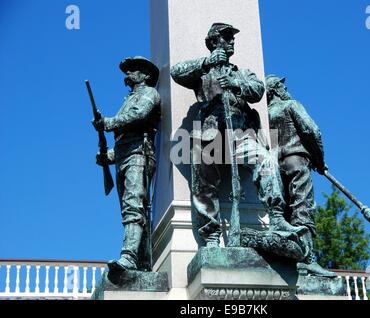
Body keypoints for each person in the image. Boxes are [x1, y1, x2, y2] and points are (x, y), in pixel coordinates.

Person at [170, 23, 304, 247]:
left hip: (240, 135)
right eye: (226, 37)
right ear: (213, 42)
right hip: (209, 134)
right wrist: (207, 62)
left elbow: (257, 90)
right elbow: (176, 72)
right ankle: (211, 235)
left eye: (232, 38)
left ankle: (278, 217)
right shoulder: (203, 72)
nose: (232, 41)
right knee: (204, 184)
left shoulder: (241, 72)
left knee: (266, 160)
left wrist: (234, 83)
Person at [92, 56, 161, 271]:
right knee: (129, 210)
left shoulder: (149, 93)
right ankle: (141, 261)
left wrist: (108, 123)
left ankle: (130, 256)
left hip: (139, 155)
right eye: (127, 70)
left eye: (133, 70)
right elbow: (124, 141)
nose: (128, 74)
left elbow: (139, 115)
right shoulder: (129, 99)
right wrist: (108, 156)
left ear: (146, 75)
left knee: (134, 206)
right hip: (126, 157)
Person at [265, 75, 336, 277]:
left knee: (287, 212)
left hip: (277, 167)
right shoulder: (291, 104)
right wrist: (319, 160)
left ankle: (292, 258)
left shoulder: (267, 114)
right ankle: (308, 260)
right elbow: (312, 130)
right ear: (277, 89)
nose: (285, 88)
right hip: (297, 161)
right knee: (302, 208)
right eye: (281, 85)